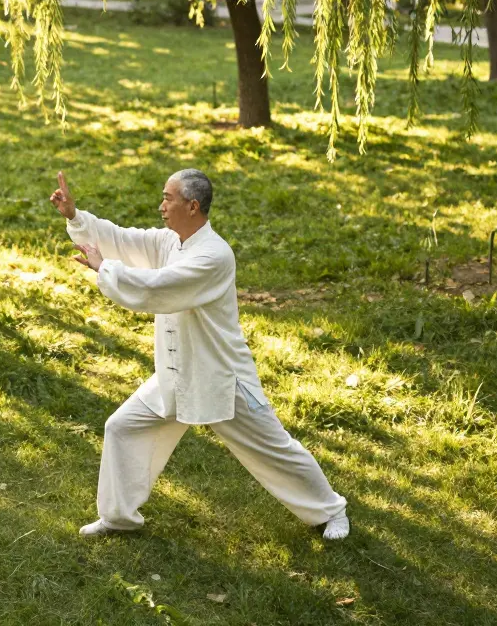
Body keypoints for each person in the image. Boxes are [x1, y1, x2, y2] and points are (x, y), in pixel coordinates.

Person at [49, 168, 350, 540]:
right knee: (122, 427)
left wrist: (103, 267)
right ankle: (119, 518)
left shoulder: (213, 256)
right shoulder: (170, 242)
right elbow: (125, 240)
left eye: (168, 198)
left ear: (192, 206)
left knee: (272, 446)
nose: (161, 206)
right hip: (175, 373)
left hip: (221, 377)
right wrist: (76, 219)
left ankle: (332, 510)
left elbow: (159, 287)